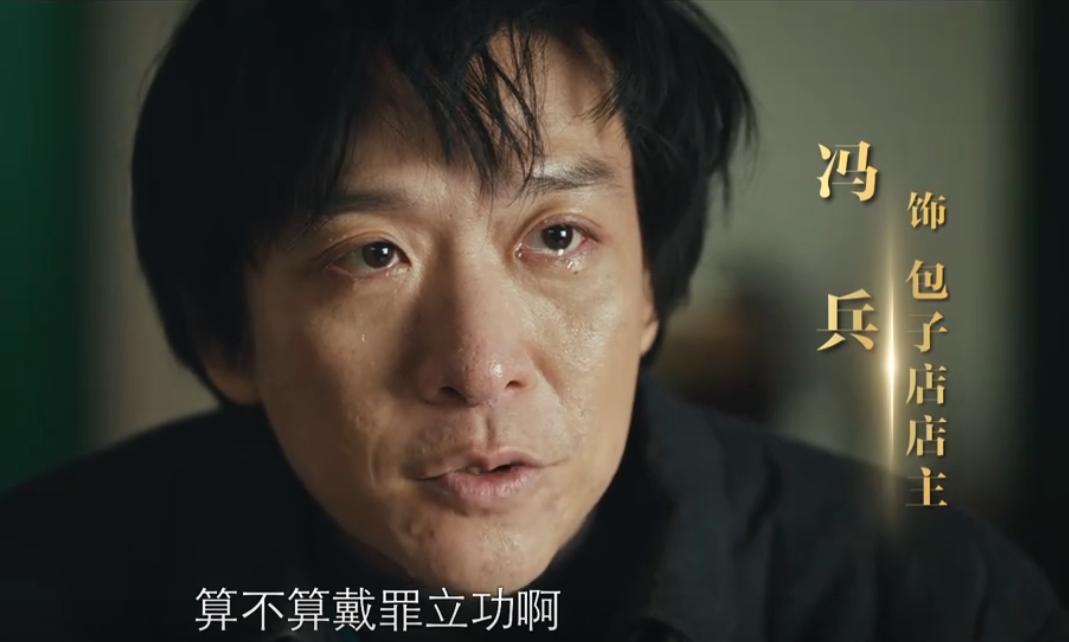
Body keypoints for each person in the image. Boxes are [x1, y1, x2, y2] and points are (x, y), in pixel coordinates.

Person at [1, 1, 1064, 640]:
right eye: (373, 254)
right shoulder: (44, 592)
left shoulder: (923, 601)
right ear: (227, 334)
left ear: (648, 289)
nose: (479, 366)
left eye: (557, 236)